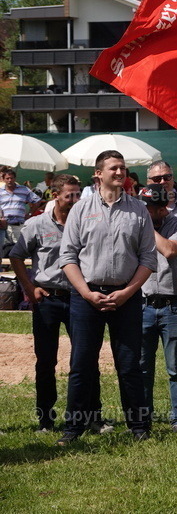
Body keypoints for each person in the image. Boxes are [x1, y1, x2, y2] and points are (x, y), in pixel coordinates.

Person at [57, 150, 157, 446]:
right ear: (98, 174)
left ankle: (139, 427)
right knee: (82, 363)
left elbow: (148, 258)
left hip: (126, 297)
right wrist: (86, 293)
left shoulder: (139, 210)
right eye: (114, 168)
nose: (120, 172)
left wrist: (127, 292)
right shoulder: (80, 209)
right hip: (86, 296)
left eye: (123, 168)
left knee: (129, 364)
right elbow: (68, 256)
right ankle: (72, 429)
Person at [9, 174, 86, 432]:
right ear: (55, 196)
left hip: (78, 298)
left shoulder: (84, 223)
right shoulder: (36, 225)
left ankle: (86, 415)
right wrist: (30, 289)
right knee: (45, 362)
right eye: (70, 196)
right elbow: (16, 256)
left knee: (83, 359)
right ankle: (45, 418)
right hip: (48, 301)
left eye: (78, 195)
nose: (75, 200)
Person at [137, 183, 177, 432]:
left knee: (174, 367)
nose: (144, 212)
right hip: (143, 304)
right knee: (142, 366)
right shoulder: (138, 225)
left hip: (172, 304)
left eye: (149, 208)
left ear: (162, 209)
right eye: (143, 207)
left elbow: (169, 250)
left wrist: (146, 228)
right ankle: (143, 417)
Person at [1, 166, 43, 244]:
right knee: (3, 251)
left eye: (11, 178)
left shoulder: (24, 189)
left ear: (15, 178)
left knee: (19, 250)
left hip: (18, 226)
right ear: (3, 179)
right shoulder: (0, 192)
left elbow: (37, 200)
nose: (10, 180)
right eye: (7, 178)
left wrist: (30, 214)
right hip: (4, 227)